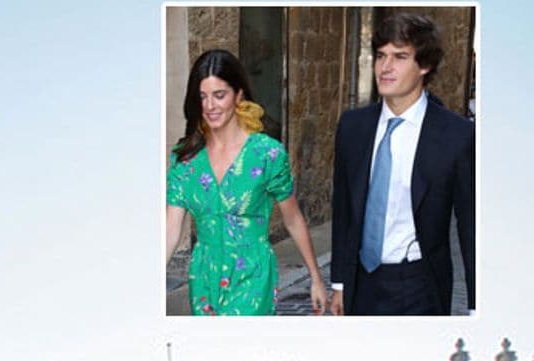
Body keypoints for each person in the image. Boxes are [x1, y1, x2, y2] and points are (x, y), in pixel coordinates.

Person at [329, 12, 475, 316]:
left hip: (419, 285)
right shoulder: (352, 127)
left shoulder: (456, 136)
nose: (385, 67)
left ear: (424, 65)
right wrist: (340, 283)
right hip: (360, 282)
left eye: (399, 57)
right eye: (381, 55)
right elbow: (343, 209)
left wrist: (476, 305)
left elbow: (471, 224)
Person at [165, 49, 327, 316]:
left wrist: (317, 279)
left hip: (252, 273)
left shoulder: (267, 154)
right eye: (202, 97)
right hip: (204, 275)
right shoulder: (185, 158)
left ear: (238, 95)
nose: (209, 106)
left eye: (219, 95)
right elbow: (171, 227)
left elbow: (293, 219)